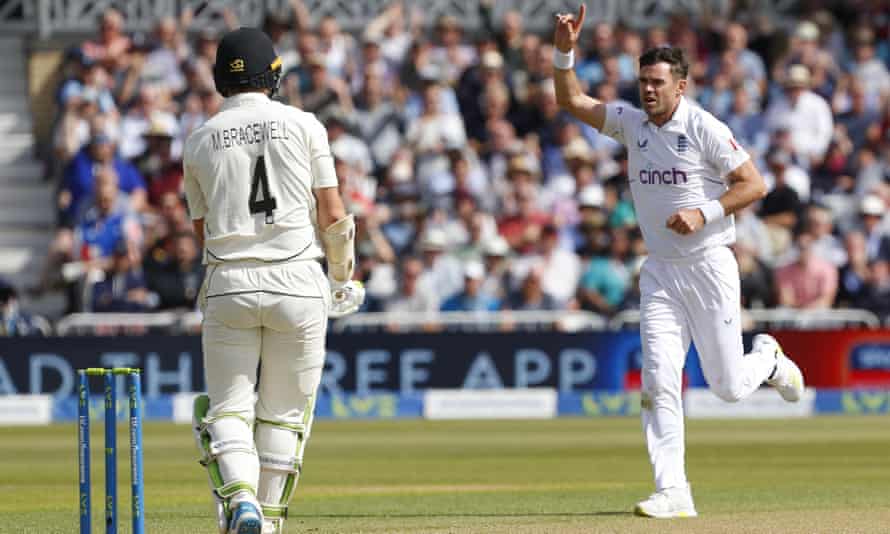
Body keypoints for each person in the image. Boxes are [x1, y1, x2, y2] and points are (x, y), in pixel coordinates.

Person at [553, 6, 805, 518]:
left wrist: (704, 212)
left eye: (658, 82)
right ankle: (674, 490)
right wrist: (564, 49)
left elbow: (754, 184)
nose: (648, 90)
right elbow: (571, 99)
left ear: (681, 86)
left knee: (729, 387)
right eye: (643, 81)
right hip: (661, 272)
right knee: (658, 378)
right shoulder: (629, 123)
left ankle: (771, 360)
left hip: (709, 264)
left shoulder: (705, 127)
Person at [183, 28, 364, 534]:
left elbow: (204, 232)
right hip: (300, 282)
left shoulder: (198, 139)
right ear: (274, 73)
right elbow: (334, 215)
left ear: (221, 78)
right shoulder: (305, 125)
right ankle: (267, 521)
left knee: (229, 411)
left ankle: (242, 503)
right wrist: (342, 278)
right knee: (284, 415)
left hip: (229, 282)